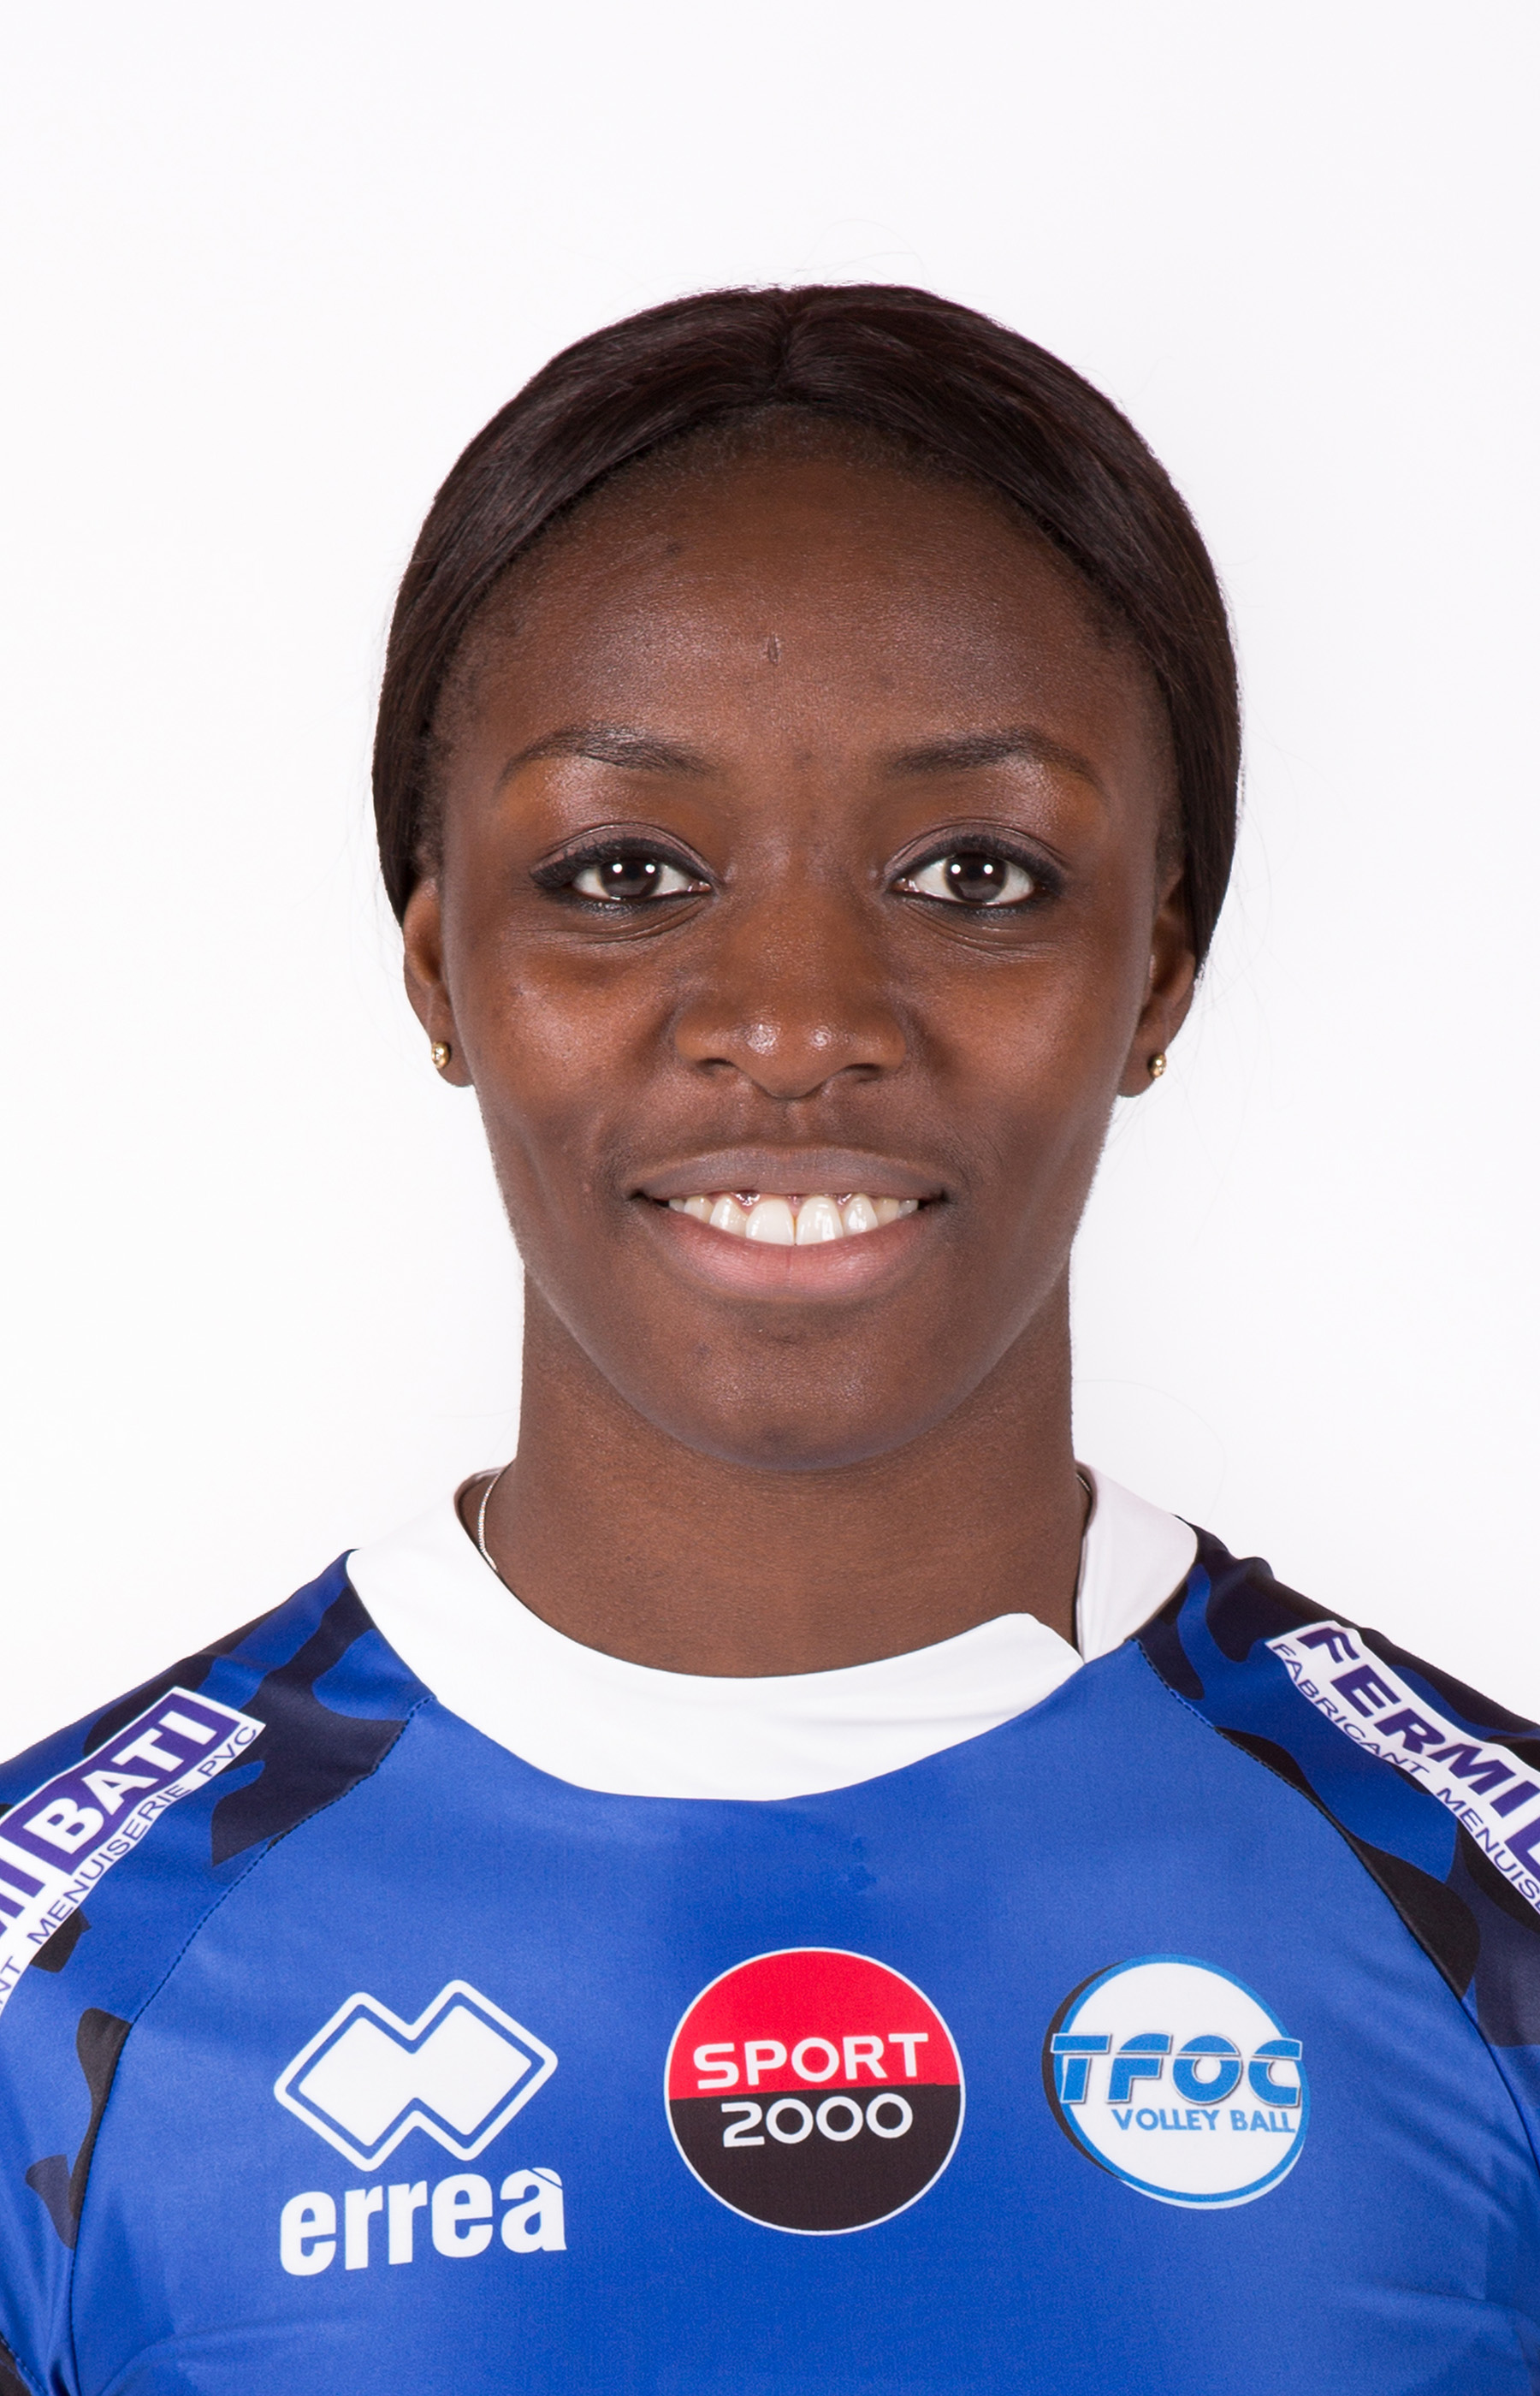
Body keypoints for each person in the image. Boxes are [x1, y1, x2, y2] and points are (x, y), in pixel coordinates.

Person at [0, 284, 1536, 2396]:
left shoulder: (1485, 1925)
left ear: (1159, 968)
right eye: (625, 869)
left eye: (977, 871)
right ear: (442, 966)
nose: (800, 1022)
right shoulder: (60, 1977)